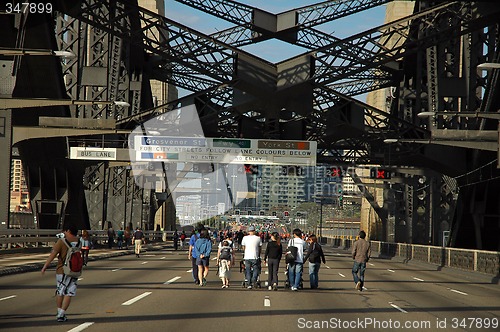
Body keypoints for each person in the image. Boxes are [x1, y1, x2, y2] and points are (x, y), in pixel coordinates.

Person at [41, 225, 80, 322]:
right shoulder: (79, 241)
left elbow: (53, 254)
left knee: (60, 292)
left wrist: (45, 266)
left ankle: (59, 313)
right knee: (69, 293)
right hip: (74, 271)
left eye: (65, 231)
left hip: (61, 270)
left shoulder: (61, 241)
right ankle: (62, 313)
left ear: (68, 230)